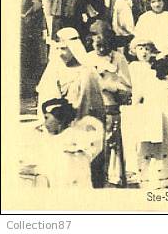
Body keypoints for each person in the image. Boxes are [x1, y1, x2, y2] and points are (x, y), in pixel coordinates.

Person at [35, 27, 106, 187]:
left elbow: (96, 105)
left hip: (82, 129)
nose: (61, 53)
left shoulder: (87, 72)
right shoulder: (54, 70)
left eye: (65, 49)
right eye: (58, 49)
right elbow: (46, 99)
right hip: (59, 127)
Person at [127, 38, 168, 189]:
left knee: (165, 139)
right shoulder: (135, 68)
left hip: (165, 114)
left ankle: (167, 176)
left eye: (147, 49)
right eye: (141, 48)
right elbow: (137, 94)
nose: (144, 52)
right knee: (147, 142)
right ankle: (147, 175)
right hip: (147, 111)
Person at [86, 20, 132, 187]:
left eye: (104, 43)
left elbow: (128, 87)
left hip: (112, 109)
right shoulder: (87, 59)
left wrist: (111, 86)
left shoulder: (118, 58)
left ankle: (113, 180)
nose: (100, 47)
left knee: (112, 145)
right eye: (96, 43)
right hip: (91, 111)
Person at [34, 98, 104, 189]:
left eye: (47, 118)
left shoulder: (74, 137)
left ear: (59, 119)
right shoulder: (56, 138)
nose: (44, 123)